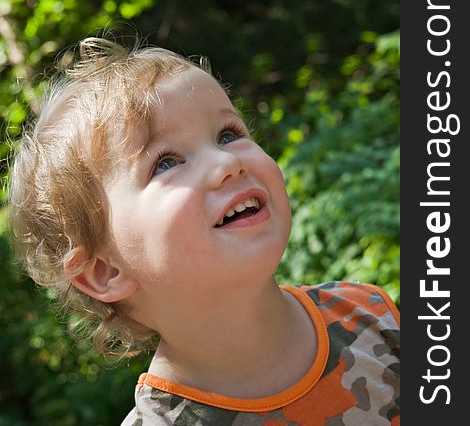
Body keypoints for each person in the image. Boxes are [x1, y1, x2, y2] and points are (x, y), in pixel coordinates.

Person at [8, 36, 400, 425]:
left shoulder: (370, 316)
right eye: (165, 162)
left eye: (228, 134)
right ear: (105, 271)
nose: (226, 162)